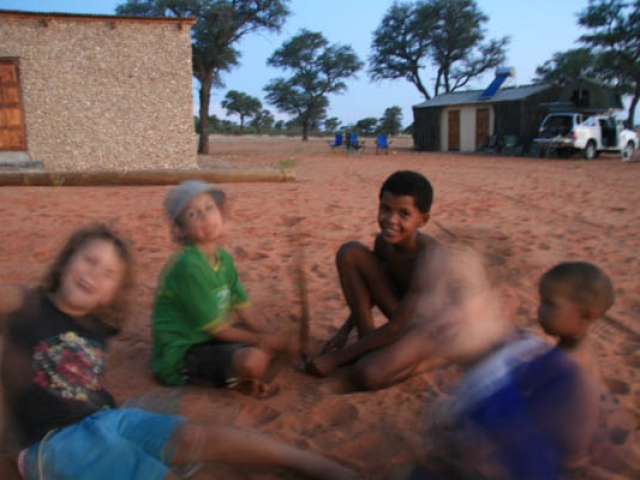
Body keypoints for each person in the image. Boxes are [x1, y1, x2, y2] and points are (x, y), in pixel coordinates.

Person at [0, 223, 357, 480]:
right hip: (59, 441)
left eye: (108, 273)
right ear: (64, 262)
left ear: (111, 293)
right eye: (88, 260)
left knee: (194, 436)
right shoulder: (28, 304)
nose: (93, 274)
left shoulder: (98, 326)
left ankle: (307, 462)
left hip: (111, 419)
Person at [386, 253, 613, 480]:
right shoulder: (569, 353)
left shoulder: (567, 364)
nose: (539, 311)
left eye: (550, 305)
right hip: (546, 457)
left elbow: (521, 434)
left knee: (400, 473)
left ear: (585, 316)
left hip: (547, 467)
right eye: (541, 301)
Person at [305, 170, 446, 390]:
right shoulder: (384, 243)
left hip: (428, 329)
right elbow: (368, 293)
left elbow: (399, 325)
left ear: (423, 220)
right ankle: (367, 338)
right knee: (350, 252)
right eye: (385, 209)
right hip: (400, 315)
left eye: (404, 214)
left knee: (367, 374)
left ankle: (435, 359)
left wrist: (337, 358)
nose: (391, 220)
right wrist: (344, 332)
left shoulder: (430, 257)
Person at [152, 180, 290, 397]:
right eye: (193, 214)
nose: (206, 217)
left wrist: (269, 334)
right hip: (183, 353)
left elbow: (245, 308)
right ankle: (235, 378)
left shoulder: (223, 258)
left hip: (209, 340)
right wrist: (264, 341)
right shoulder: (189, 266)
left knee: (283, 332)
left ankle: (236, 376)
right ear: (181, 229)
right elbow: (217, 330)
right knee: (254, 361)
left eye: (209, 208)